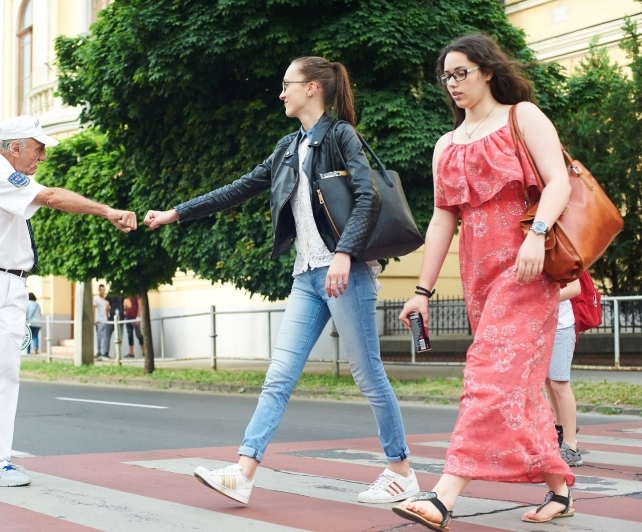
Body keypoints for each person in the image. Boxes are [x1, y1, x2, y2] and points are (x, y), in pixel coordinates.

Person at [145, 56, 417, 506]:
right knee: (278, 378)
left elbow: (367, 196)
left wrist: (345, 254)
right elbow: (239, 188)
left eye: (287, 84)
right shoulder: (289, 148)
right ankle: (243, 472)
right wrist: (178, 212)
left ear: (312, 88)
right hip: (306, 277)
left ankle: (401, 470)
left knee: (368, 376)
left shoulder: (340, 135)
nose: (281, 92)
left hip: (344, 274)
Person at [393, 34, 575, 530]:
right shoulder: (445, 145)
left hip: (526, 270)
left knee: (487, 378)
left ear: (487, 71)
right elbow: (441, 221)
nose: (452, 84)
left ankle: (444, 494)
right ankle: (559, 491)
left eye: (461, 73)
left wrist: (536, 236)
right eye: (445, 77)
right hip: (479, 280)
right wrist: (423, 292)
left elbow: (558, 180)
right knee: (517, 388)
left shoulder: (522, 117)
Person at [0, 115, 136, 487]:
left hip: (2, 284)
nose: (41, 157)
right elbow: (53, 196)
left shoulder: (6, 177)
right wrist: (107, 211)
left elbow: (45, 193)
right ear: (16, 147)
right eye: (38, 149)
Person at [546, 280, 582, 467]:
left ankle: (572, 447)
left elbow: (575, 288)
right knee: (548, 382)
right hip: (539, 324)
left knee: (560, 383)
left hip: (560, 326)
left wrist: (542, 299)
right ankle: (560, 431)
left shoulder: (562, 251)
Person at [93, 284, 110, 359]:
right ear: (99, 290)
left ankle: (104, 352)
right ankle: (98, 351)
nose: (103, 291)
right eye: (101, 290)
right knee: (99, 337)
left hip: (105, 321)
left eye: (104, 290)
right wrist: (94, 320)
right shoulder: (96, 299)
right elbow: (93, 309)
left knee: (105, 337)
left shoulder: (106, 301)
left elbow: (107, 310)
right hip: (99, 321)